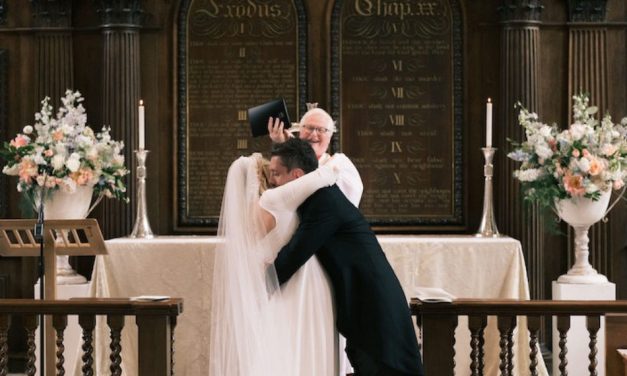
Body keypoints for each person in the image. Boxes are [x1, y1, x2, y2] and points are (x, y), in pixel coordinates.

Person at [271, 139, 425, 376]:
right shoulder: (318, 198)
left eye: (276, 174)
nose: (273, 182)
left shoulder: (324, 202)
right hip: (367, 310)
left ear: (297, 175)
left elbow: (293, 256)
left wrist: (256, 285)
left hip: (376, 311)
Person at [209, 143, 341, 375]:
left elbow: (251, 247)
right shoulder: (287, 202)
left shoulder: (272, 203)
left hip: (290, 284)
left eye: (276, 173)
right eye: (271, 174)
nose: (273, 180)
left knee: (288, 351)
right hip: (309, 282)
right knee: (306, 350)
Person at [268, 106, 363, 206]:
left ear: (330, 137)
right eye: (309, 128)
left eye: (321, 130)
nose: (313, 134)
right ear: (300, 132)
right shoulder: (288, 161)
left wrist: (290, 144)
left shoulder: (340, 163)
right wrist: (284, 145)